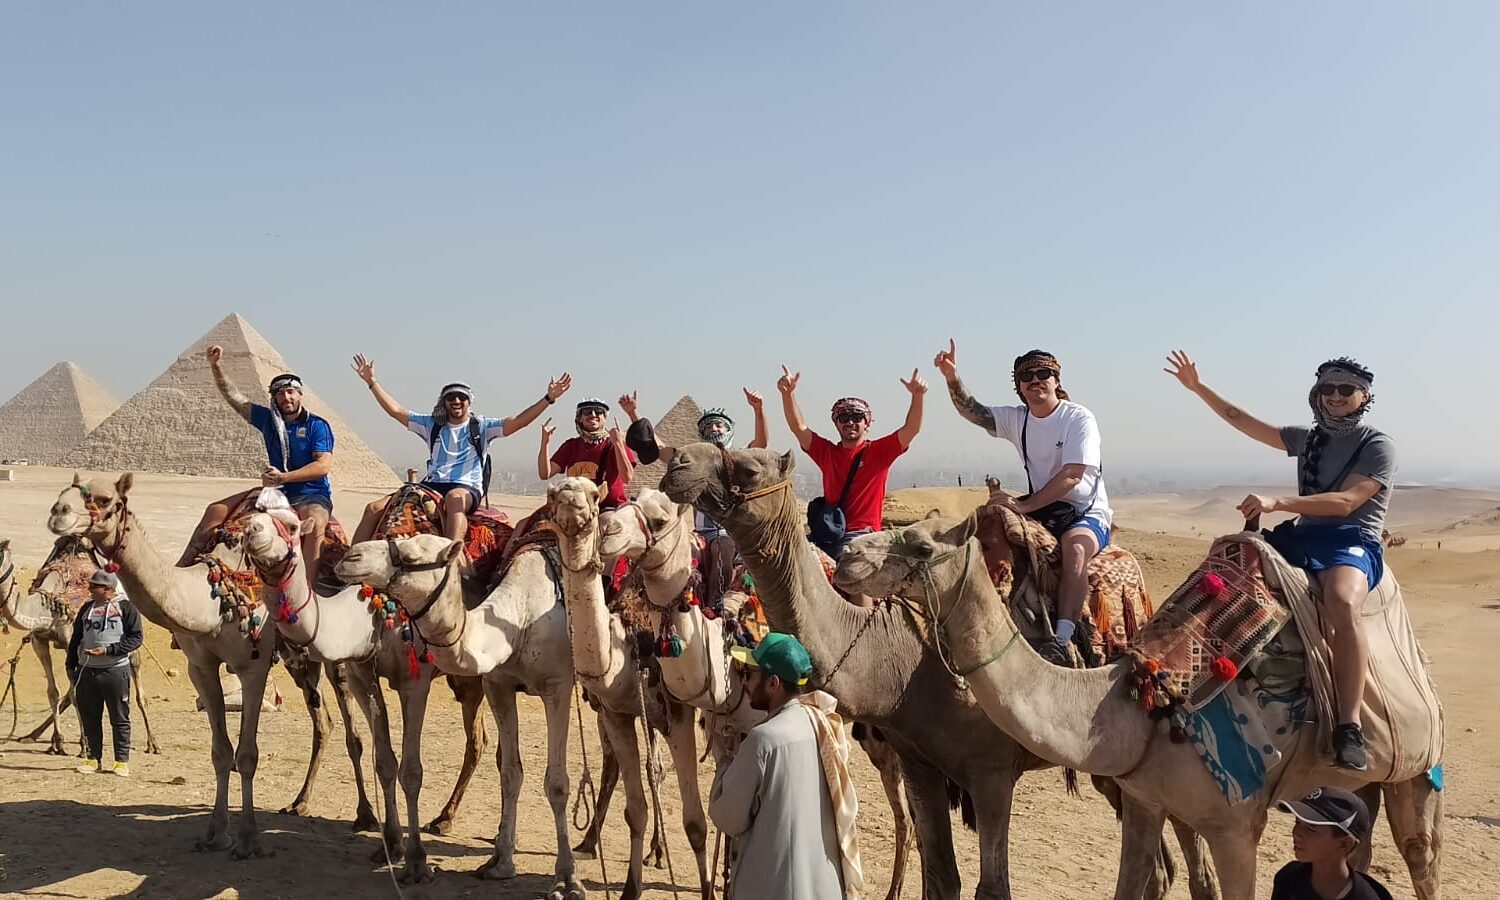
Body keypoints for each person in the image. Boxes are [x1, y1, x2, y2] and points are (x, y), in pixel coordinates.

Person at [1166, 351, 1394, 771]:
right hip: (1303, 536)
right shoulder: (1308, 439)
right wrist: (1198, 388)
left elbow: (1348, 502)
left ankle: (1349, 725)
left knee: (1342, 601)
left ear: (1364, 396)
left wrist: (1277, 502)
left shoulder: (1376, 445)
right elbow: (1241, 419)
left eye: (1346, 389)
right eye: (1328, 388)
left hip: (1350, 541)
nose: (1336, 396)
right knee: (1229, 569)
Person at [937, 342, 1112, 665]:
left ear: (1056, 380)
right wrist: (951, 377)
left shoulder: (1078, 418)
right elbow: (971, 410)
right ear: (1019, 387)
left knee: (1074, 550)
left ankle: (1062, 638)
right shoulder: (1019, 420)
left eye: (1043, 373)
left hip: (1084, 514)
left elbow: (1072, 476)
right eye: (1027, 376)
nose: (1036, 380)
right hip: (1042, 510)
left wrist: (1024, 505)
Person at [351, 354, 570, 544]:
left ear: (469, 402)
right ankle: (350, 567)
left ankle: (449, 559)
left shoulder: (482, 427)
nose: (456, 401)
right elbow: (396, 411)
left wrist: (548, 399)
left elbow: (519, 421)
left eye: (461, 397)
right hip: (432, 485)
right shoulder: (432, 425)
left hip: (466, 487)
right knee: (374, 508)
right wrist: (372, 382)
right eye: (451, 398)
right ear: (444, 402)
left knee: (454, 499)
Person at [710, 633, 860, 899]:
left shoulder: (763, 740)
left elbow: (727, 817)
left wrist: (724, 765)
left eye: (750, 673)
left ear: (773, 683)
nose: (744, 681)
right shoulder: (820, 724)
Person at [180, 346, 335, 584]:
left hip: (312, 494)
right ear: (274, 398)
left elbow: (322, 466)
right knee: (215, 510)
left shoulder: (317, 425)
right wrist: (216, 367)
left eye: (291, 392)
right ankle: (183, 569)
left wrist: (284, 477)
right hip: (275, 493)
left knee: (314, 525)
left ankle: (309, 588)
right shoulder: (268, 420)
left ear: (300, 395)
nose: (287, 398)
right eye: (281, 393)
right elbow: (234, 397)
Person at [777, 364, 925, 565]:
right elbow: (798, 427)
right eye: (844, 417)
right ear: (836, 422)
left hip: (862, 534)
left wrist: (917, 396)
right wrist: (788, 395)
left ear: (868, 422)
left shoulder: (879, 452)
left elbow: (911, 429)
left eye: (857, 417)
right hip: (829, 533)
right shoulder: (827, 453)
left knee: (854, 573)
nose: (850, 422)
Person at [619, 388, 770, 535]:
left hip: (734, 530)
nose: (714, 429)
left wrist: (758, 409)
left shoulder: (739, 458)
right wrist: (633, 413)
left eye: (719, 425)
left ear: (729, 429)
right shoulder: (693, 461)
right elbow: (656, 445)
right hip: (703, 532)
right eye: (708, 427)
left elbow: (761, 443)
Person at [66, 570, 142, 777]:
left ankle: (121, 762)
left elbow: (136, 638)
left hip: (115, 671)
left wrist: (108, 650)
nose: (89, 590)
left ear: (107, 589)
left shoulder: (126, 607)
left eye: (94, 587)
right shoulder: (87, 608)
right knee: (90, 717)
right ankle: (92, 759)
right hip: (86, 671)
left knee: (119, 718)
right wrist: (71, 664)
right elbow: (76, 637)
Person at [1271, 787, 1394, 899]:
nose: (1296, 833)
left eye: (1311, 827)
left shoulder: (1367, 897)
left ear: (1346, 843)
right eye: (1297, 822)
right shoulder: (1289, 879)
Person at [539, 398, 637, 512]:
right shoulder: (571, 446)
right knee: (527, 525)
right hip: (574, 507)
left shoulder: (612, 445)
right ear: (579, 418)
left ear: (604, 418)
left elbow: (627, 477)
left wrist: (618, 444)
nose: (593, 414)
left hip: (607, 508)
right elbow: (545, 474)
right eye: (587, 412)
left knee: (607, 524)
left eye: (599, 411)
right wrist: (545, 442)